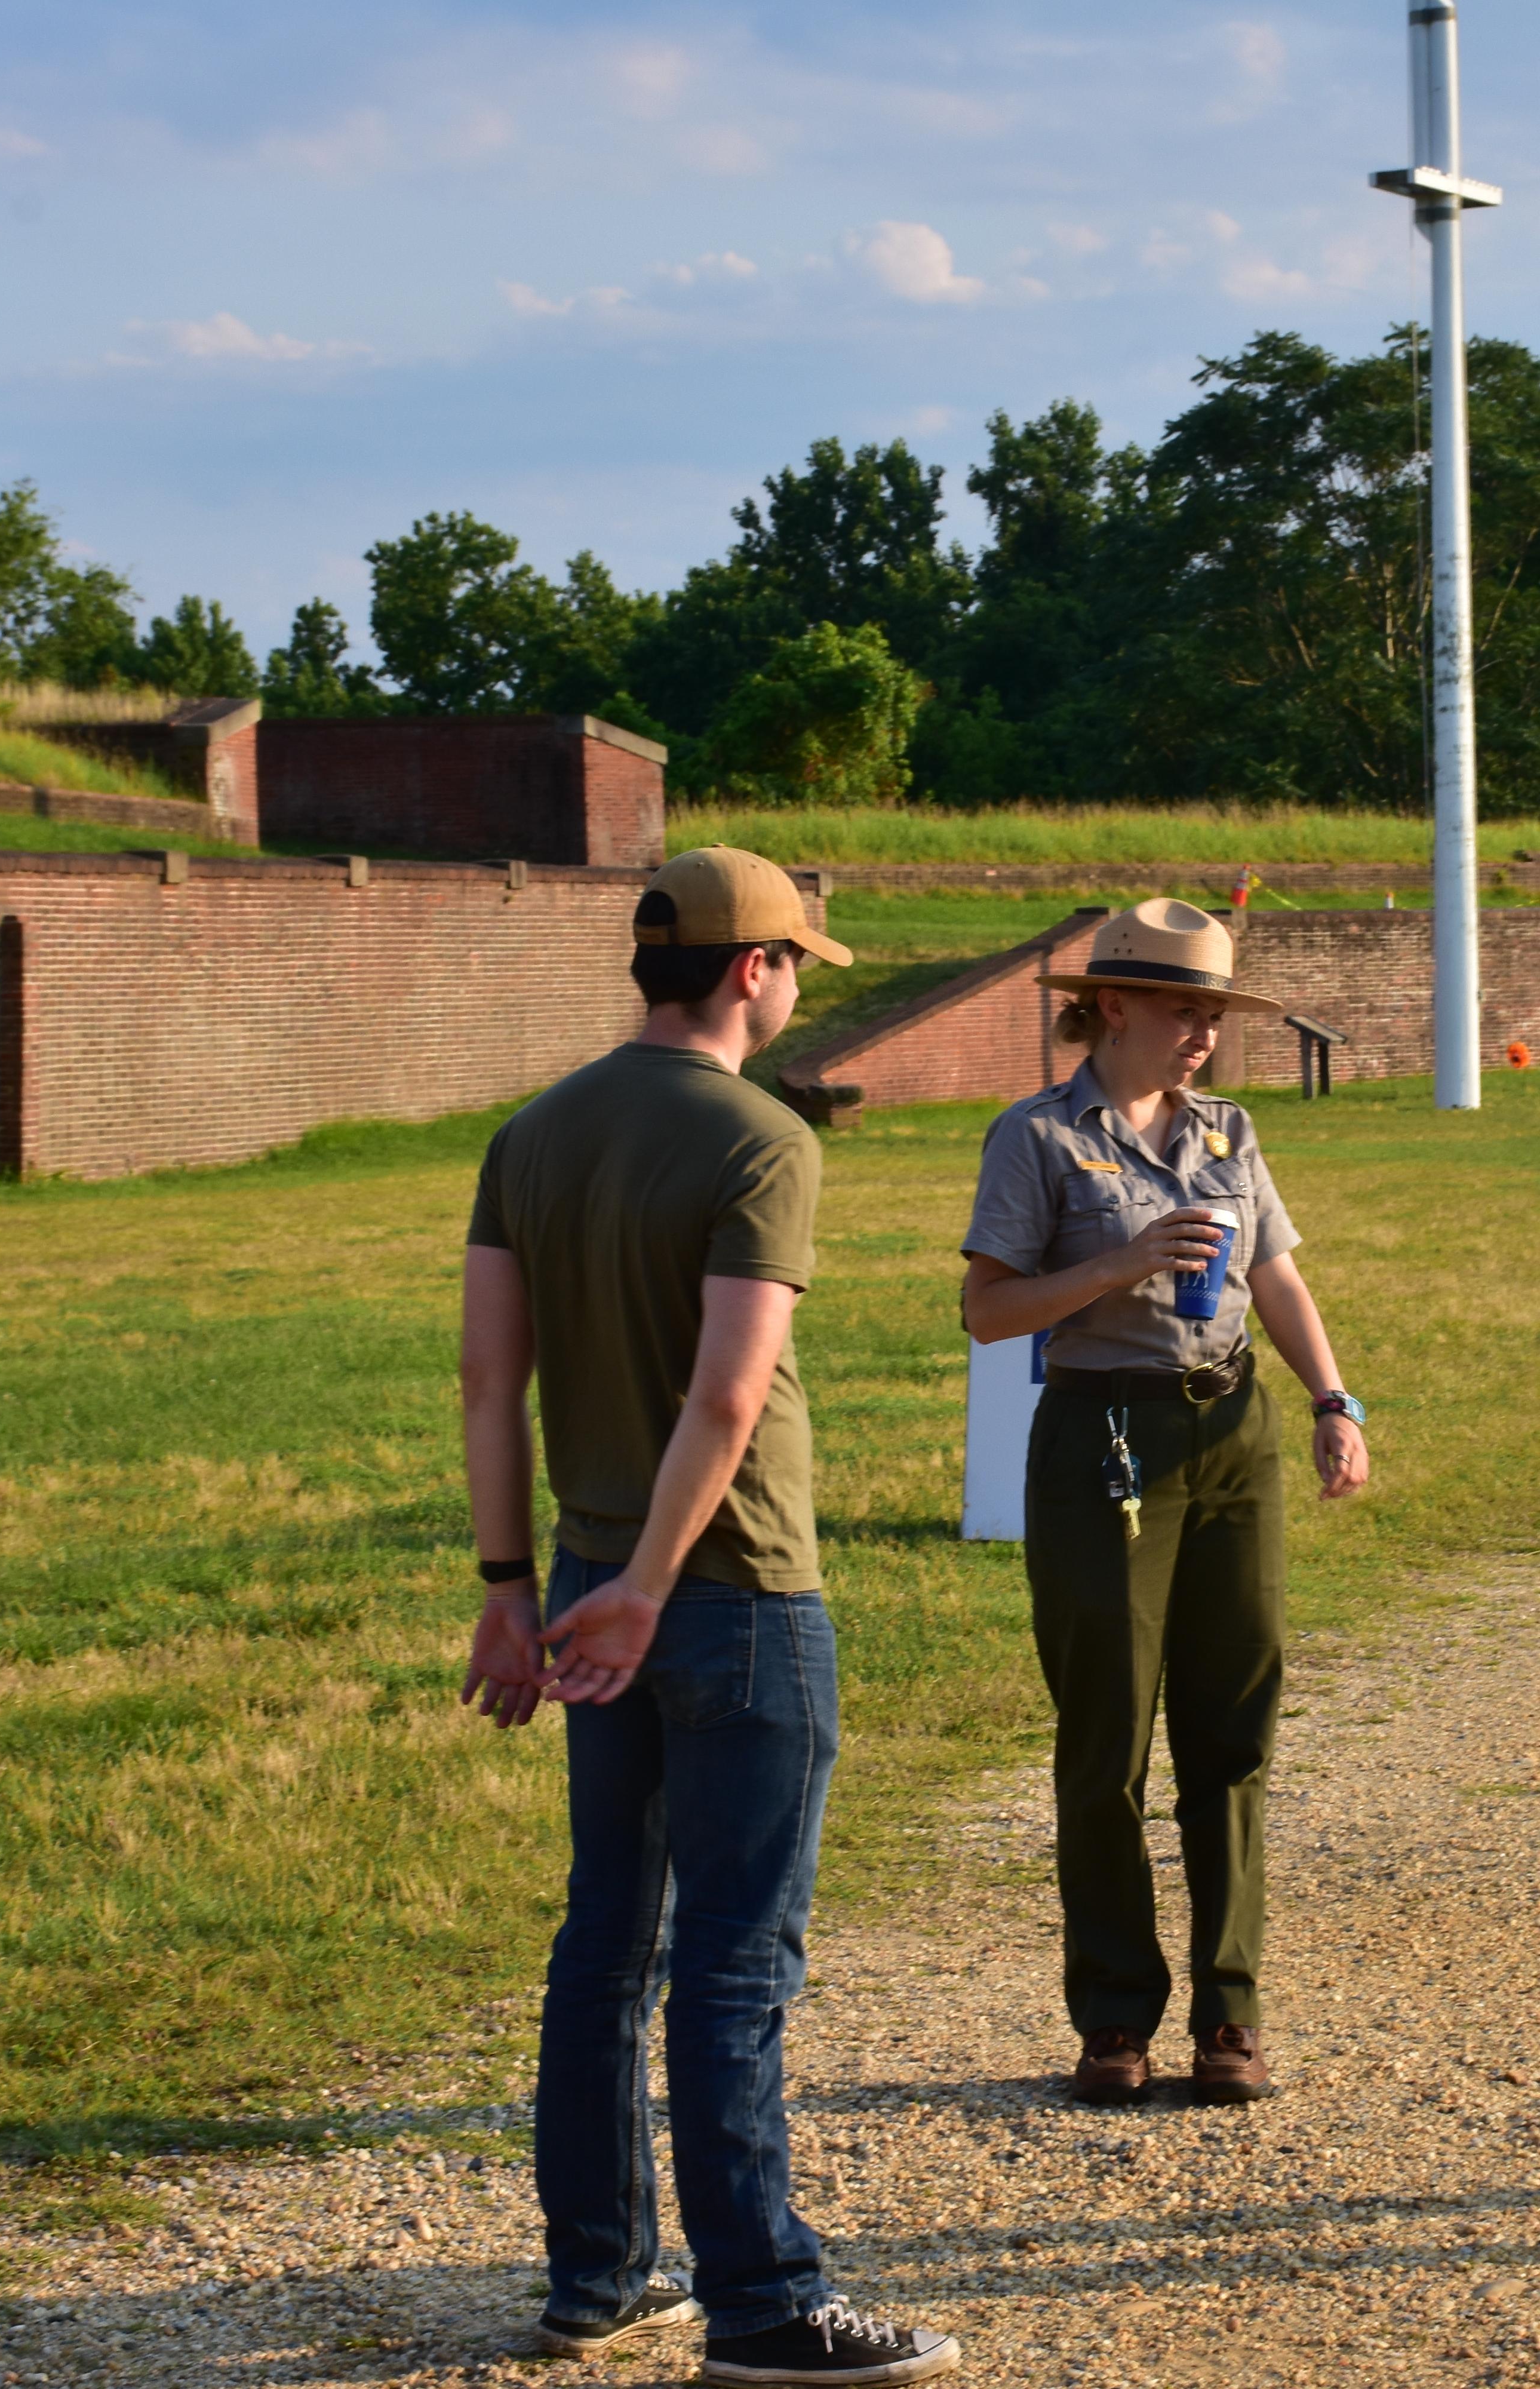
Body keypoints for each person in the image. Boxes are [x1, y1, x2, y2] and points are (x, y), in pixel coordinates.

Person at [458, 846, 961, 2384]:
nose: (801, 980)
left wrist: (514, 1592)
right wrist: (657, 1588)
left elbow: (494, 1379)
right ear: (750, 969)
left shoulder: (530, 1133)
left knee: (606, 1936)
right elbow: (728, 1392)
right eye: (797, 959)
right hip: (730, 1587)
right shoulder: (760, 1136)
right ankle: (762, 2299)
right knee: (738, 1957)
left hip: (585, 1574)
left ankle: (598, 2277)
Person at [958, 898, 1370, 2108]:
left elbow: (1273, 1272)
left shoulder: (1228, 1131)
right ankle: (1114, 2016)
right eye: (1187, 1009)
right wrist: (1121, 1262)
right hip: (1104, 1435)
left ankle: (1230, 2012)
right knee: (1106, 1735)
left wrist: (1334, 1398)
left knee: (1234, 1727)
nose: (1203, 1033)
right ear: (1117, 1004)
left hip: (1230, 1428)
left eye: (1213, 1012)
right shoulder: (1037, 1137)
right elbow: (990, 1312)